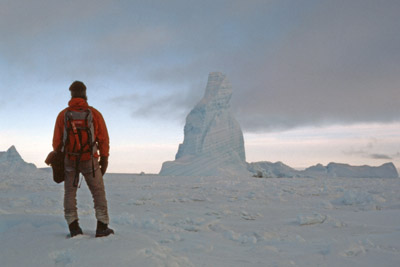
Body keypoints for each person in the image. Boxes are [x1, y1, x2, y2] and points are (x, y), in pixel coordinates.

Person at [52, 81, 114, 237]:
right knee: (98, 192)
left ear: (71, 94)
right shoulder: (94, 114)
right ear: (85, 94)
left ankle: (73, 228)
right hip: (90, 160)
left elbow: (56, 142)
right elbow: (103, 138)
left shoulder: (63, 115)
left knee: (69, 193)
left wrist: (61, 157)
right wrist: (104, 158)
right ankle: (102, 227)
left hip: (69, 160)